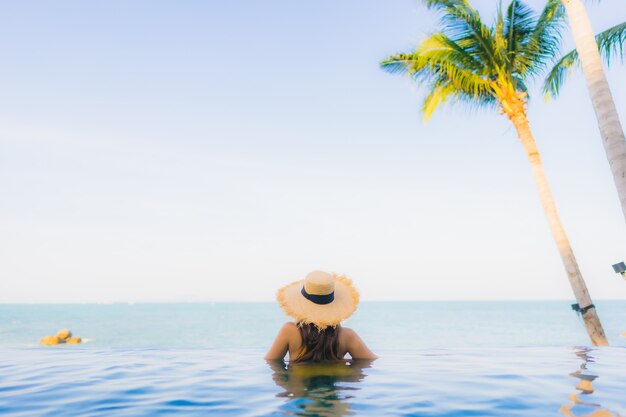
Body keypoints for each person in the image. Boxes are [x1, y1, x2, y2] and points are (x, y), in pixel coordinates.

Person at [265, 270, 377, 362]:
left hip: (298, 388)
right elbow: (370, 362)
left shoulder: (289, 331)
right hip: (331, 388)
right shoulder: (347, 336)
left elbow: (270, 362)